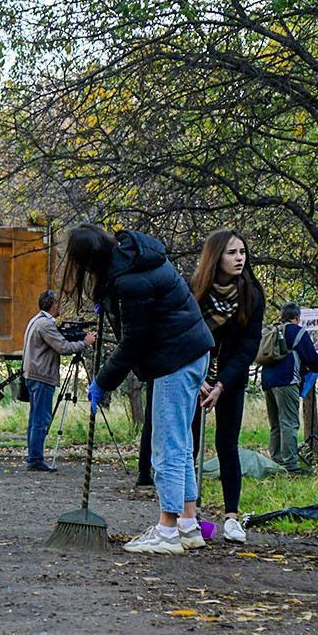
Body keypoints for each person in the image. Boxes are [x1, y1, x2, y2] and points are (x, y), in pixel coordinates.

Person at [74, 225, 214, 555]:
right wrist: (109, 304)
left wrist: (103, 381)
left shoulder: (131, 280)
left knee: (167, 445)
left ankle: (166, 530)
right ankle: (188, 525)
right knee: (182, 441)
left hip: (174, 360)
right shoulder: (135, 258)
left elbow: (134, 342)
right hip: (193, 353)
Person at [189, 230, 264, 541]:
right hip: (195, 376)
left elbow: (249, 346)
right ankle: (186, 514)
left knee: (227, 445)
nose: (239, 258)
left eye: (242, 252)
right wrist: (201, 378)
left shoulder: (252, 294)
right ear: (216, 256)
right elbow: (186, 334)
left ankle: (232, 517)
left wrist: (221, 384)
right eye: (232, 252)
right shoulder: (196, 291)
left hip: (231, 378)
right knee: (188, 446)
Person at [21, 289, 87, 471]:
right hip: (42, 375)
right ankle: (35, 459)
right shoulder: (45, 324)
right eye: (58, 304)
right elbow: (63, 347)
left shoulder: (36, 320)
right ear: (53, 305)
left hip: (33, 374)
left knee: (35, 418)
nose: (60, 307)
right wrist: (85, 342)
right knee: (41, 419)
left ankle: (33, 456)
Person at [258, 303, 318, 470]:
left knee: (275, 424)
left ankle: (276, 461)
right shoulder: (297, 331)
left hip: (267, 381)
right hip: (287, 381)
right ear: (297, 317)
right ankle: (290, 465)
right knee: (289, 422)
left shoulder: (273, 330)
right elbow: (312, 358)